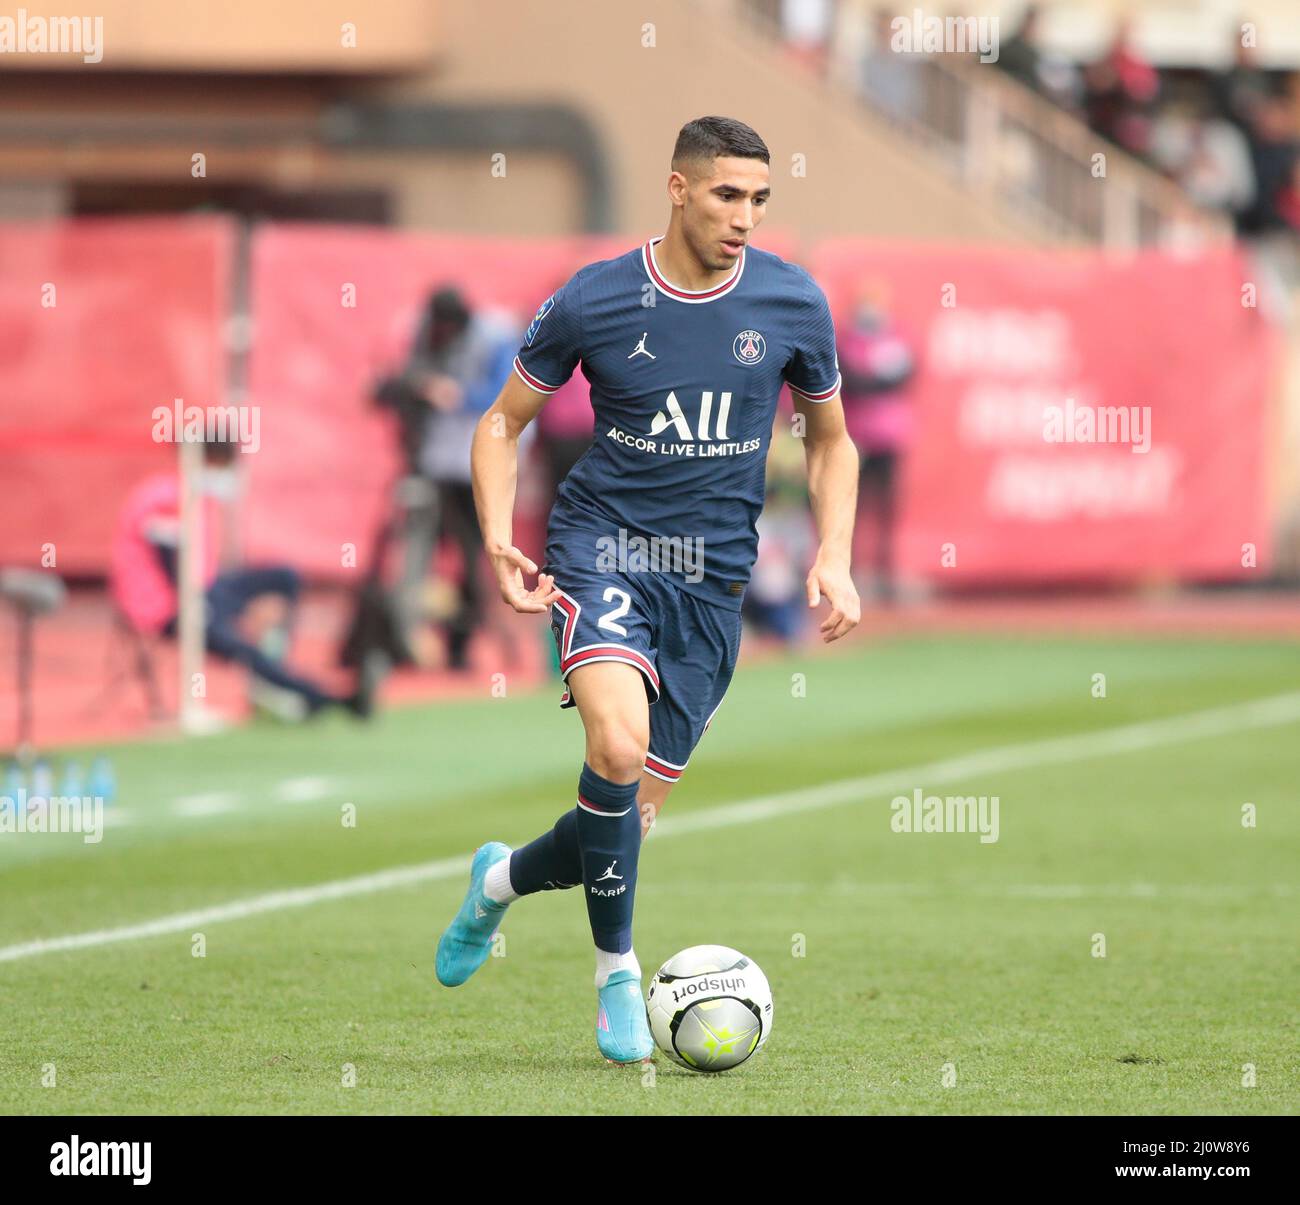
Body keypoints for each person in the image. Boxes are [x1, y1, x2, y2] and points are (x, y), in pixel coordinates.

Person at [435, 116, 861, 1064]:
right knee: (616, 747)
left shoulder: (794, 303)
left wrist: (833, 551)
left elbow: (830, 440)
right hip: (604, 550)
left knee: (621, 820)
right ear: (677, 188)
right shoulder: (597, 297)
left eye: (758, 199)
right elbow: (501, 425)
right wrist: (501, 539)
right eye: (725, 195)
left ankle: (497, 883)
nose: (744, 216)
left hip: (712, 585)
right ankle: (616, 974)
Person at [110, 439, 372, 719]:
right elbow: (170, 562)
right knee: (243, 651)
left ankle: (274, 670)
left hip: (203, 588)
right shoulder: (164, 497)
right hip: (167, 607)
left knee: (283, 578)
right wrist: (196, 606)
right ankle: (323, 698)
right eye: (226, 465)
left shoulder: (194, 496)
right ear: (209, 460)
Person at [384, 286, 518, 669]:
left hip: (482, 465)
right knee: (417, 552)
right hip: (434, 465)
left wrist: (456, 395)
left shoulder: (495, 335)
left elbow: (507, 396)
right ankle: (404, 640)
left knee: (475, 557)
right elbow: (408, 380)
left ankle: (462, 644)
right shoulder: (425, 333)